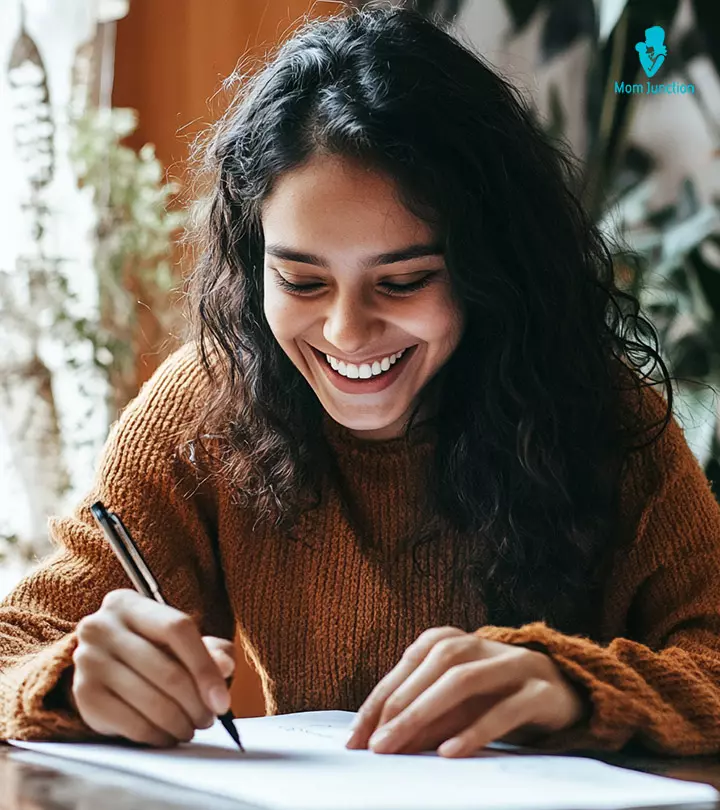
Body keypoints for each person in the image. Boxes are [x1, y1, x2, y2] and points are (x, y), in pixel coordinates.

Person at [1, 3, 720, 759]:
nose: (347, 333)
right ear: (254, 268)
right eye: (301, 281)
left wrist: (571, 685)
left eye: (403, 281)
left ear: (491, 272)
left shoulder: (597, 410)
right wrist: (75, 674)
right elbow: (15, 643)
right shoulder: (208, 408)